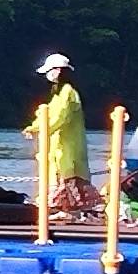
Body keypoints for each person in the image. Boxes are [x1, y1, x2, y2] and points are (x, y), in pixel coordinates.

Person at [26, 51, 94, 218]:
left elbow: (60, 118)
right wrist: (34, 127)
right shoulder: (58, 94)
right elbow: (47, 115)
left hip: (67, 146)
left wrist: (38, 129)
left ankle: (70, 211)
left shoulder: (68, 93)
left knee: (68, 177)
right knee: (58, 177)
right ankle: (60, 209)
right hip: (57, 147)